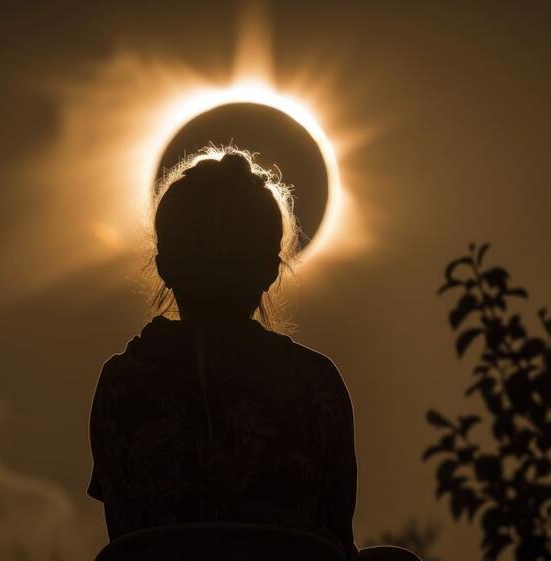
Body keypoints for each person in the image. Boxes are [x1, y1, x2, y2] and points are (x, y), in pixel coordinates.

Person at [88, 150, 414, 561]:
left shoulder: (121, 385)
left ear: (165, 266)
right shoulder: (315, 386)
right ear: (270, 270)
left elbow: (126, 534)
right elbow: (336, 539)